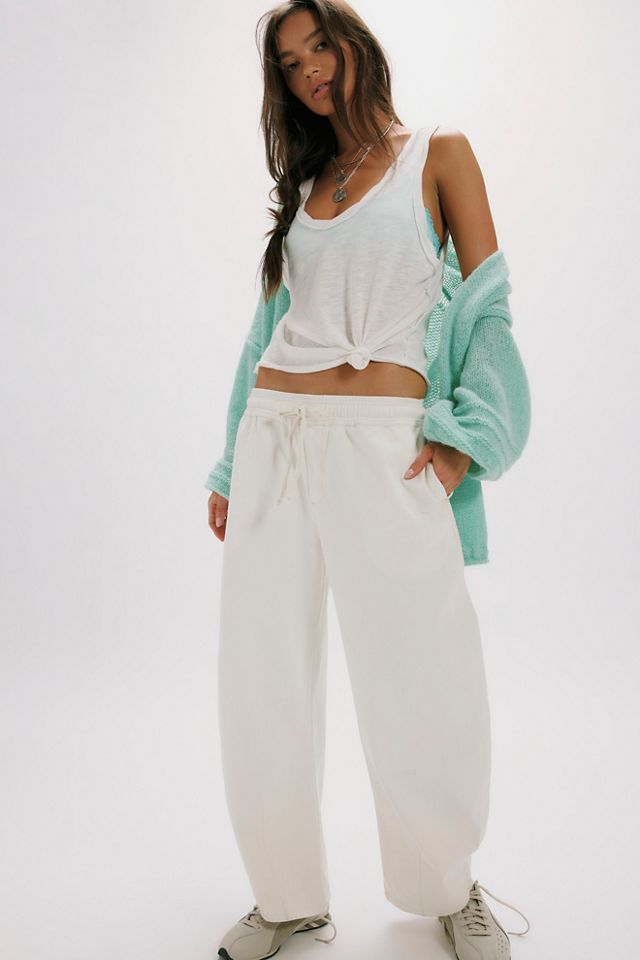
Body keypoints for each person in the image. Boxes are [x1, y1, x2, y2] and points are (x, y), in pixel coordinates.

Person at [205, 3, 532, 959]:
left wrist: (468, 438)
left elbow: (488, 307)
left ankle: (448, 886)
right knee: (262, 679)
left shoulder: (439, 153)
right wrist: (229, 463)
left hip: (385, 446)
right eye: (289, 61)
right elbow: (264, 336)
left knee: (423, 672)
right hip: (276, 440)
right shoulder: (307, 187)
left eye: (320, 44)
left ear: (355, 44)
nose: (309, 68)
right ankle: (285, 897)